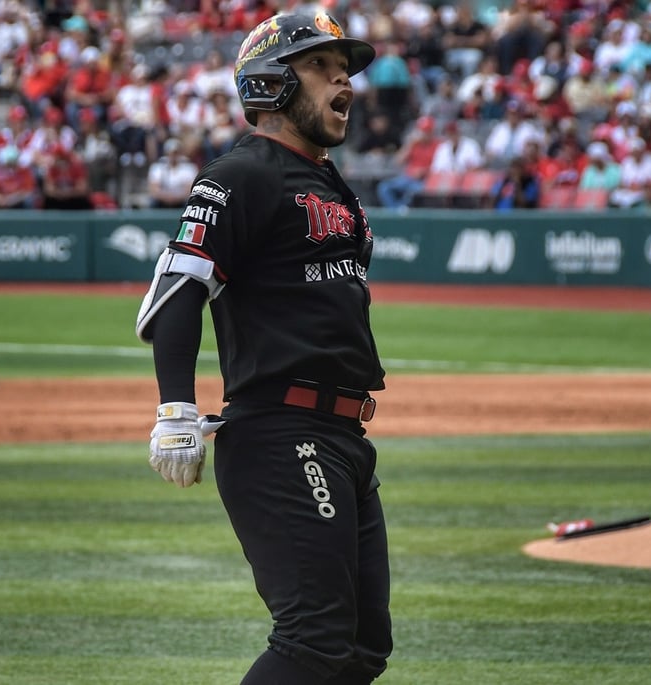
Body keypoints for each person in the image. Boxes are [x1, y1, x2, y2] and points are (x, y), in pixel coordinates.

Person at [134, 11, 391, 685]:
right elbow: (179, 286)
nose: (343, 80)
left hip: (344, 435)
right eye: (320, 66)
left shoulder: (332, 183)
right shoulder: (244, 172)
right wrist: (175, 411)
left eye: (346, 69)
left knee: (362, 647)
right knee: (313, 639)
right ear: (272, 84)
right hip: (283, 431)